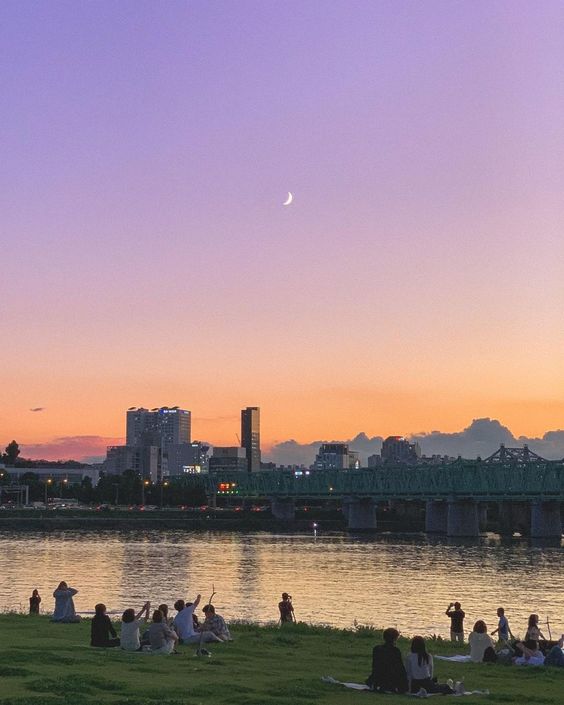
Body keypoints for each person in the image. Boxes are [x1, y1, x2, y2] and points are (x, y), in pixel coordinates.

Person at [366, 627, 408, 693]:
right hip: (390, 679)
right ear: (395, 639)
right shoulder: (395, 651)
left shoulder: (377, 649)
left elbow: (375, 666)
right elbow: (400, 668)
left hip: (378, 678)